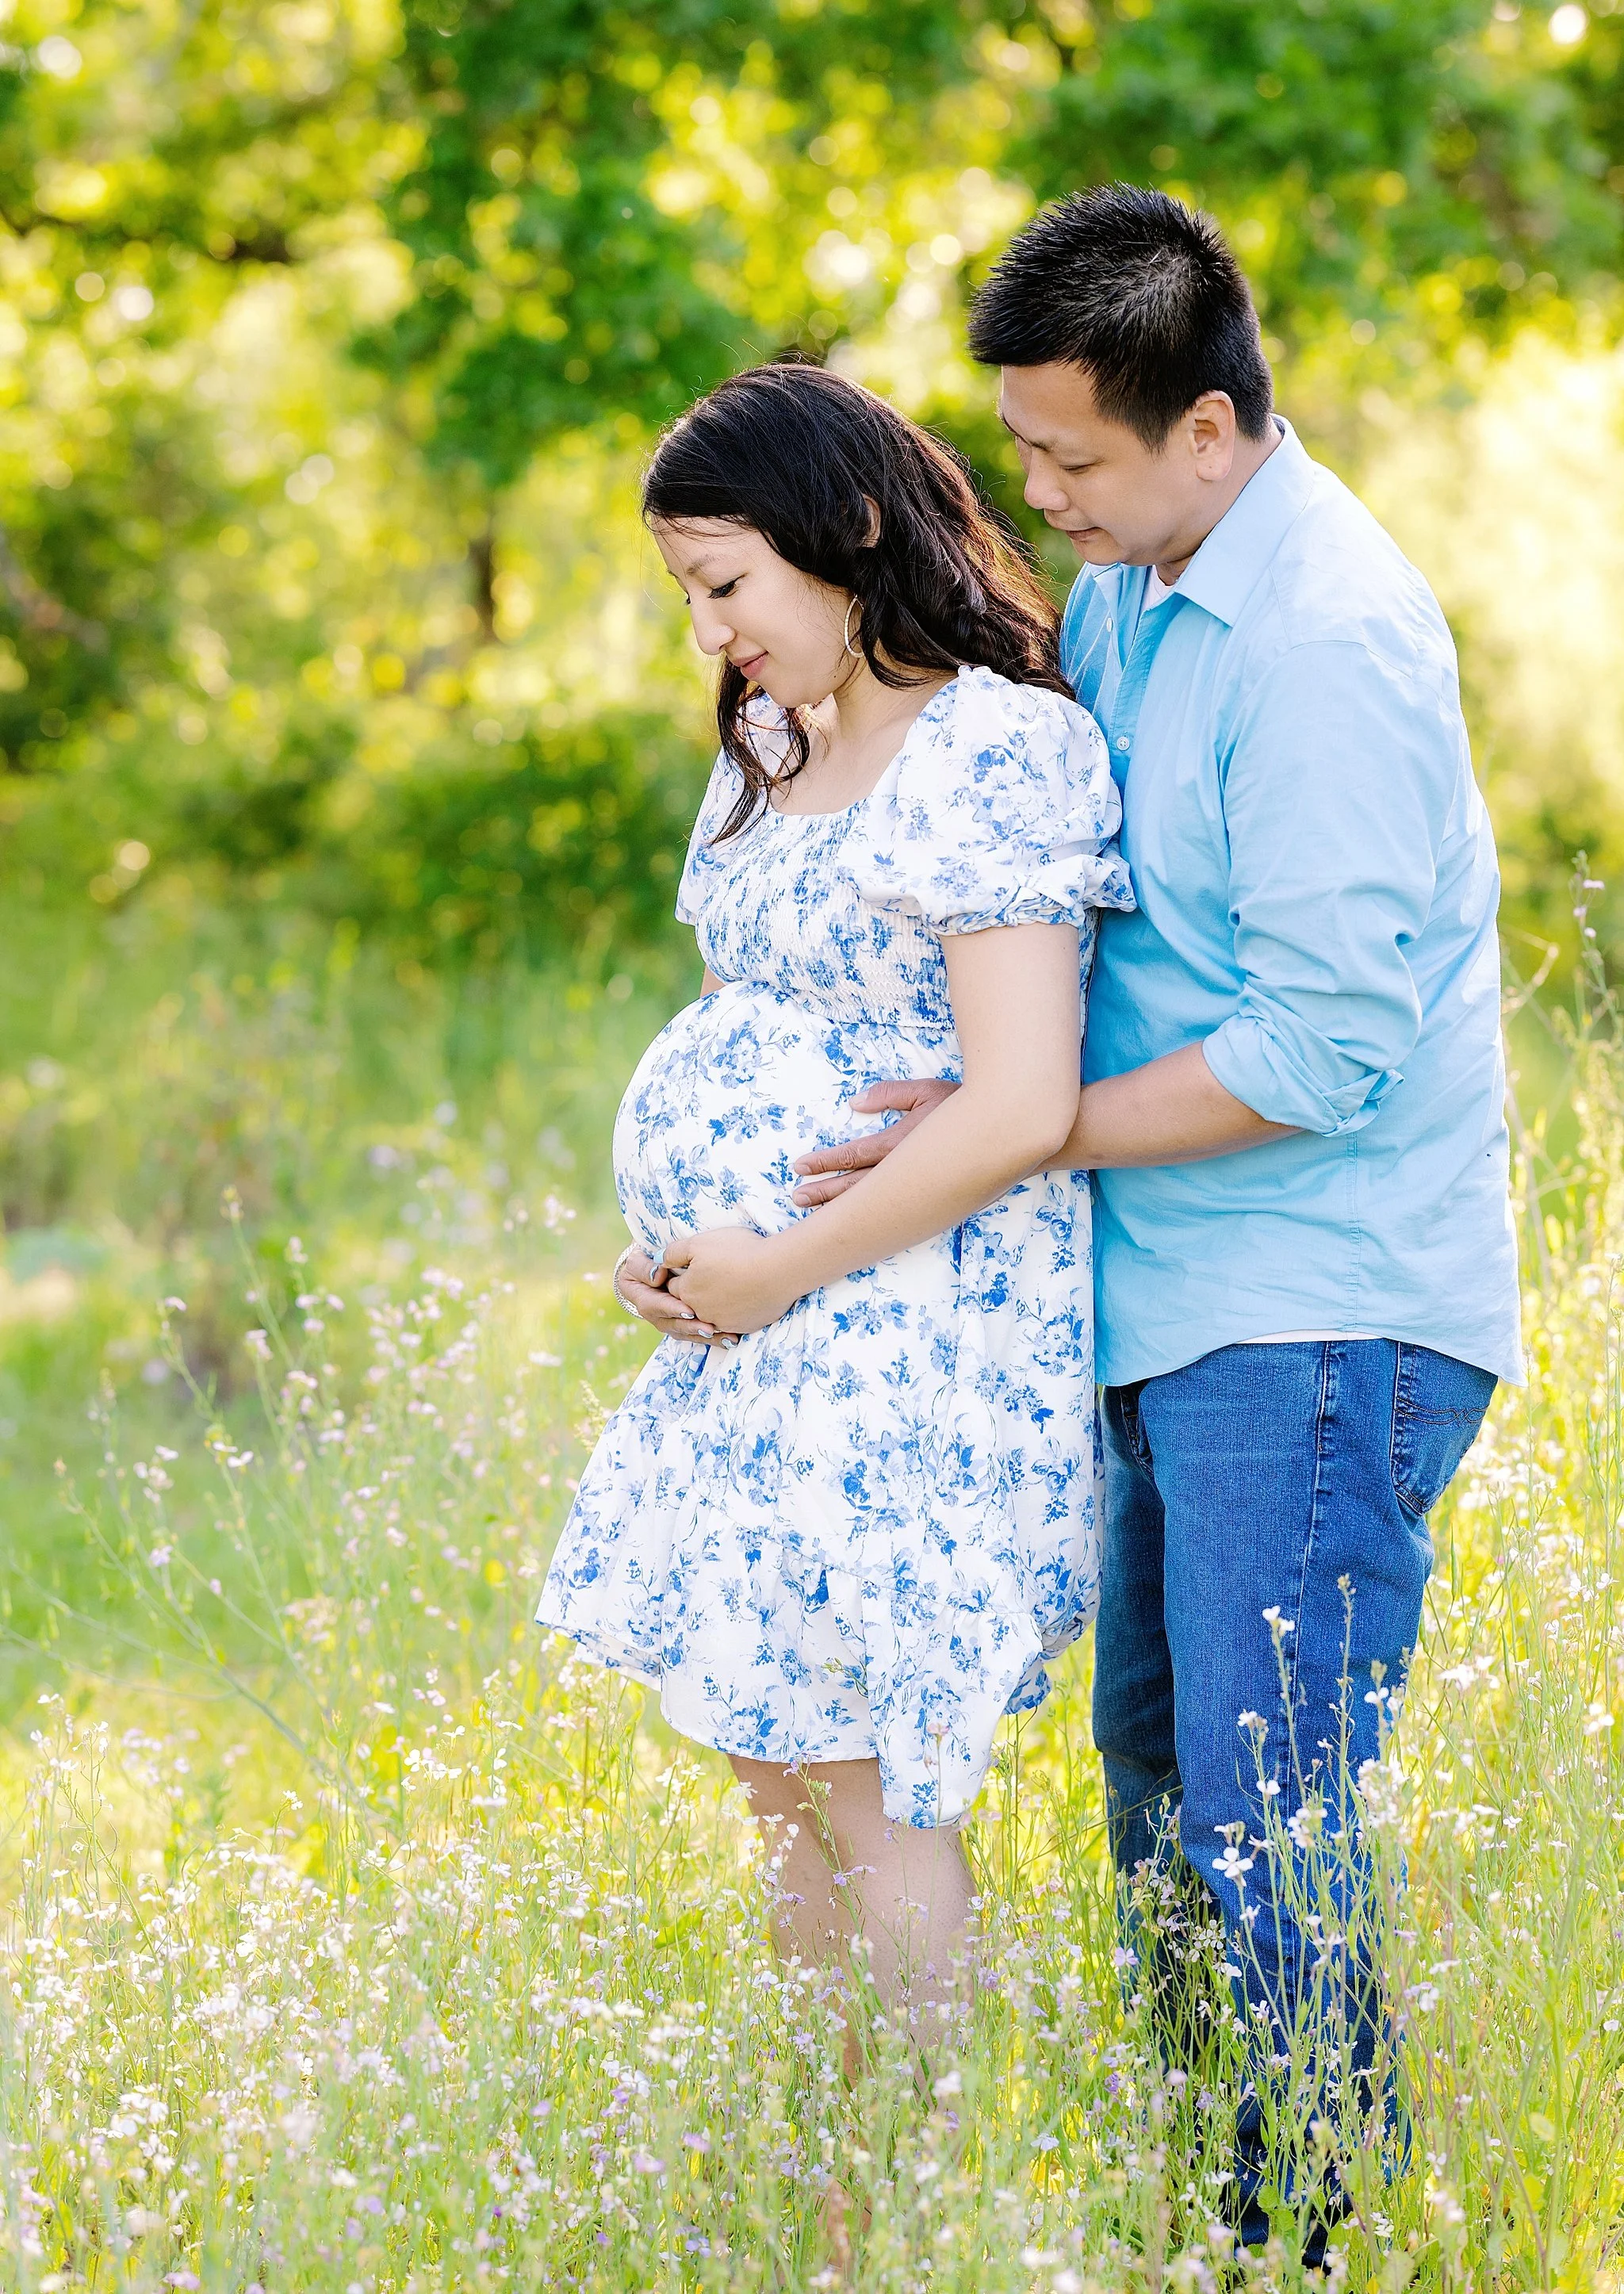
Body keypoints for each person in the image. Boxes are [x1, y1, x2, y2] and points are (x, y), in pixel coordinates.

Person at [626, 189, 1522, 2254]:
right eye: (1018, 450)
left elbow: (1313, 1047)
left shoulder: (1328, 642)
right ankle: (1226, 2208)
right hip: (1162, 1299)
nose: (1035, 496)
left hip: (1316, 1312)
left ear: (1212, 425)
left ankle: (1317, 2236)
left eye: (1072, 460)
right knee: (1162, 1804)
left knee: (1261, 1814)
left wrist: (1011, 1131)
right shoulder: (1138, 587)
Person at [537, 360, 1133, 2031]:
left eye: (724, 582)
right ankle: (840, 2189)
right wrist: (675, 1265)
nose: (708, 630)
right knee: (775, 1767)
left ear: (848, 529)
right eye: (686, 596)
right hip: (763, 1327)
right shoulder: (779, 750)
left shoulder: (991, 751)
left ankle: (915, 2219)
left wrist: (778, 1266)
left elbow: (1020, 1101)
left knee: (872, 1791)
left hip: (903, 1326)